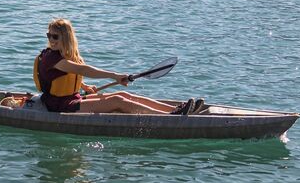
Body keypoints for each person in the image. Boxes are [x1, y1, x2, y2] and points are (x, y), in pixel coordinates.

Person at [34, 18, 201, 115]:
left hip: (71, 99)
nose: (51, 40)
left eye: (55, 36)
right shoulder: (51, 58)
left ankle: (176, 110)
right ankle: (168, 117)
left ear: (66, 38)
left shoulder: (68, 55)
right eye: (49, 36)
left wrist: (84, 86)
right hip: (58, 106)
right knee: (117, 101)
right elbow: (83, 70)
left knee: (124, 93)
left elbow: (69, 75)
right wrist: (114, 75)